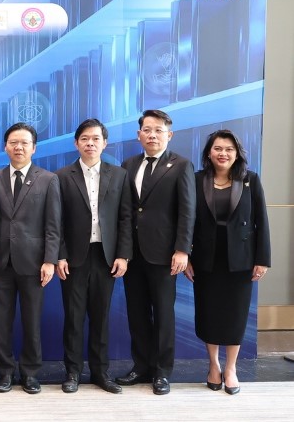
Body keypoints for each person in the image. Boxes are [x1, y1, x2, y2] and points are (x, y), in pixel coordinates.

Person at [184, 129, 270, 395]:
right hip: (206, 258)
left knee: (236, 315)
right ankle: (213, 365)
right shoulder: (197, 180)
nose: (223, 153)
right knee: (209, 313)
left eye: (229, 149)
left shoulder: (250, 180)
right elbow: (186, 221)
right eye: (218, 148)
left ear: (237, 153)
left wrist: (263, 259)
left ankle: (231, 368)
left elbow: (261, 221)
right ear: (209, 152)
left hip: (240, 260)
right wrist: (186, 255)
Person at [117, 109, 195, 395]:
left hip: (164, 254)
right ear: (139, 135)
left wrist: (182, 249)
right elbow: (126, 211)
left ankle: (162, 372)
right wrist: (123, 250)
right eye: (147, 130)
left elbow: (187, 210)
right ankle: (141, 366)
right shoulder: (128, 164)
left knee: (163, 314)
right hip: (133, 254)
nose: (152, 135)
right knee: (136, 313)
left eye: (158, 130)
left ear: (169, 135)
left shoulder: (181, 165)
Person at [55, 119, 131, 395]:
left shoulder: (119, 175)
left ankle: (101, 372)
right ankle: (73, 372)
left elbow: (125, 217)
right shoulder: (61, 176)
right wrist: (60, 255)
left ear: (104, 143)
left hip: (105, 256)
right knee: (74, 317)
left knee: (101, 316)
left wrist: (123, 255)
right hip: (74, 257)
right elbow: (57, 221)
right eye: (85, 138)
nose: (90, 143)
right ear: (76, 143)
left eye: (96, 138)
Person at [0, 122, 61, 395]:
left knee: (32, 321)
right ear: (5, 147)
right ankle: (5, 372)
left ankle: (30, 373)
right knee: (1, 322)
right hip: (0, 262)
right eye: (13, 143)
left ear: (34, 148)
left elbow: (53, 224)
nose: (18, 147)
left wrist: (50, 260)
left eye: (24, 143)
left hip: (34, 263)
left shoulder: (48, 179)